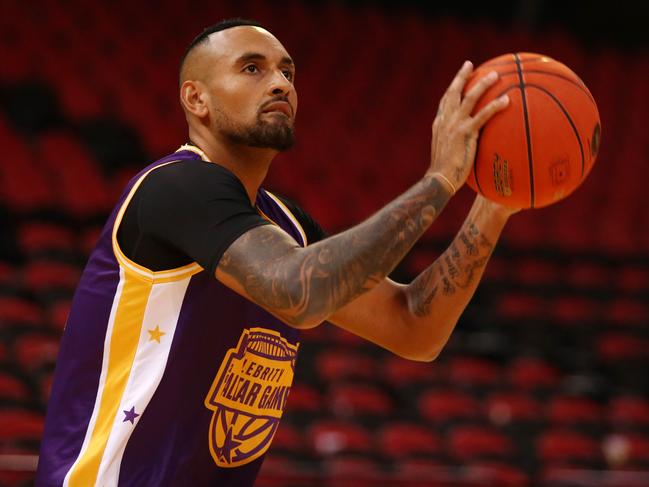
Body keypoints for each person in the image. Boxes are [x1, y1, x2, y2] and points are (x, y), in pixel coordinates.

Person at [36, 17, 515, 487]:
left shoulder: (285, 225)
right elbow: (298, 293)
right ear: (195, 98)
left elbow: (416, 329)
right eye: (252, 68)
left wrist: (494, 205)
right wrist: (440, 180)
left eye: (287, 72)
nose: (280, 84)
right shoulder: (175, 187)